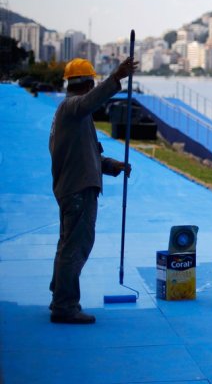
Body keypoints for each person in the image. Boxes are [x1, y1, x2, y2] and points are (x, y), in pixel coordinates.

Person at [49, 56, 137, 324]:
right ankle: (65, 306)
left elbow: (88, 155)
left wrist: (112, 166)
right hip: (78, 191)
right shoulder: (73, 108)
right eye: (92, 82)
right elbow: (89, 101)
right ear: (87, 84)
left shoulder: (75, 116)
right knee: (75, 247)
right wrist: (116, 78)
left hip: (75, 187)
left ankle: (60, 296)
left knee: (68, 245)